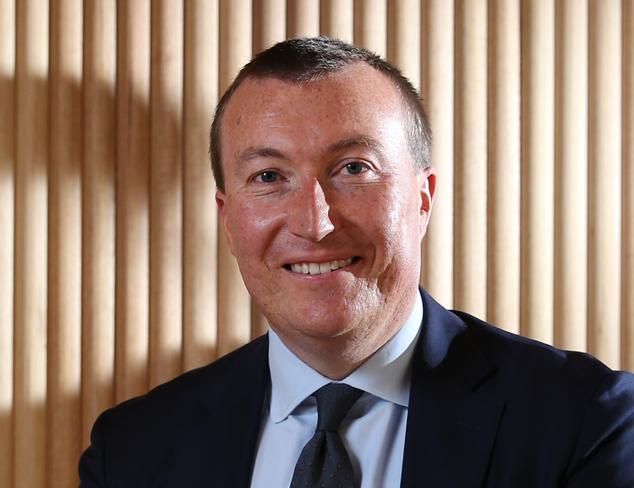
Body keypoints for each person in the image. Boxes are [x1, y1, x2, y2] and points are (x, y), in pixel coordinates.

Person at [79, 37, 634, 487]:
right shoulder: (132, 452)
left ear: (423, 199)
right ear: (228, 218)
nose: (314, 222)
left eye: (354, 169)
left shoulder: (586, 424)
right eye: (269, 177)